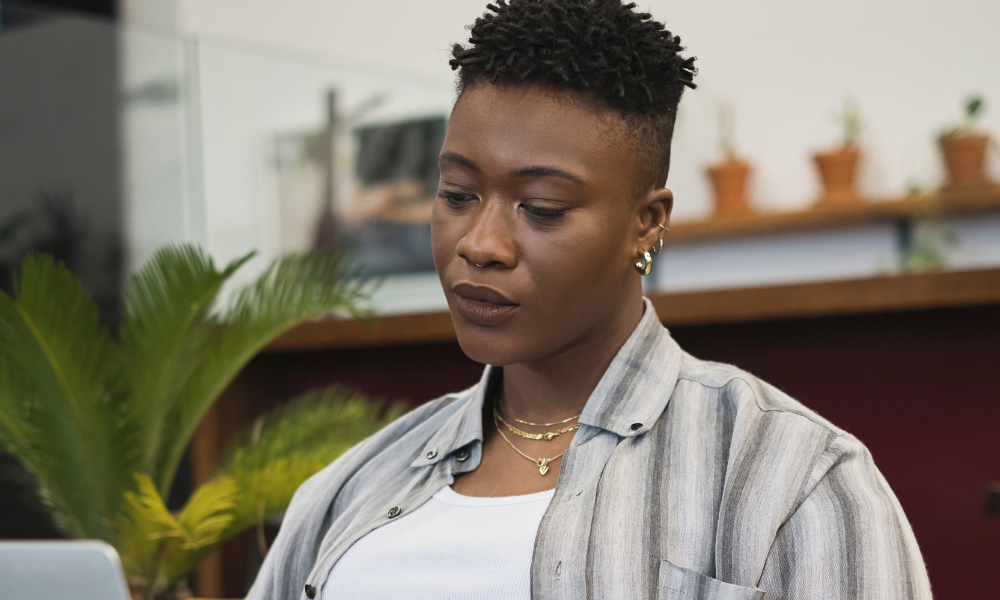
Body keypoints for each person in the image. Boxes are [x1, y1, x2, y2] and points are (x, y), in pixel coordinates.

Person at [248, 1, 932, 598]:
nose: (480, 243)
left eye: (541, 208)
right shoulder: (355, 485)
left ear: (647, 222)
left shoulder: (792, 482)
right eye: (458, 195)